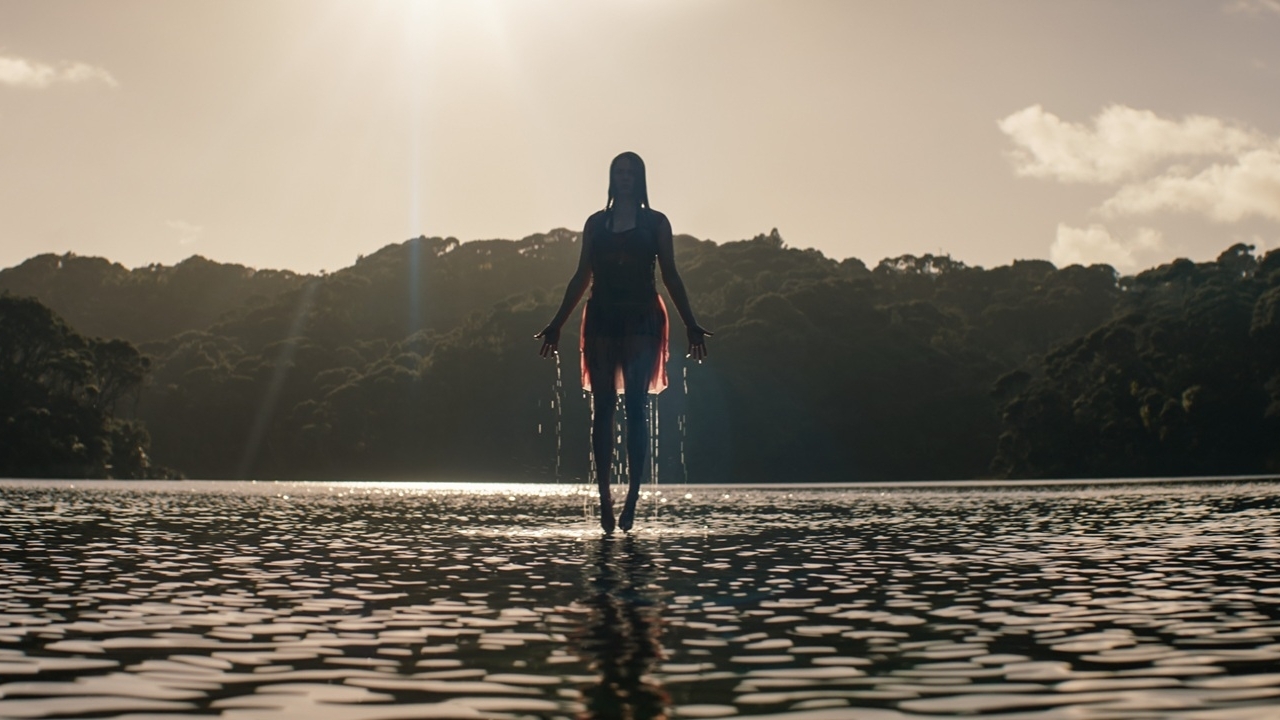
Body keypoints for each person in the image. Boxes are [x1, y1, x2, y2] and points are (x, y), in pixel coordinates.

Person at [536, 152, 710, 533]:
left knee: (635, 410)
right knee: (602, 411)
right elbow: (581, 275)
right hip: (601, 319)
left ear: (641, 179)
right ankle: (605, 501)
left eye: (632, 173)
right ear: (612, 179)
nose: (626, 177)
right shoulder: (596, 224)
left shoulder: (656, 223)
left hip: (643, 321)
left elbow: (672, 276)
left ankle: (632, 499)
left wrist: (691, 324)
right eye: (620, 172)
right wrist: (556, 323)